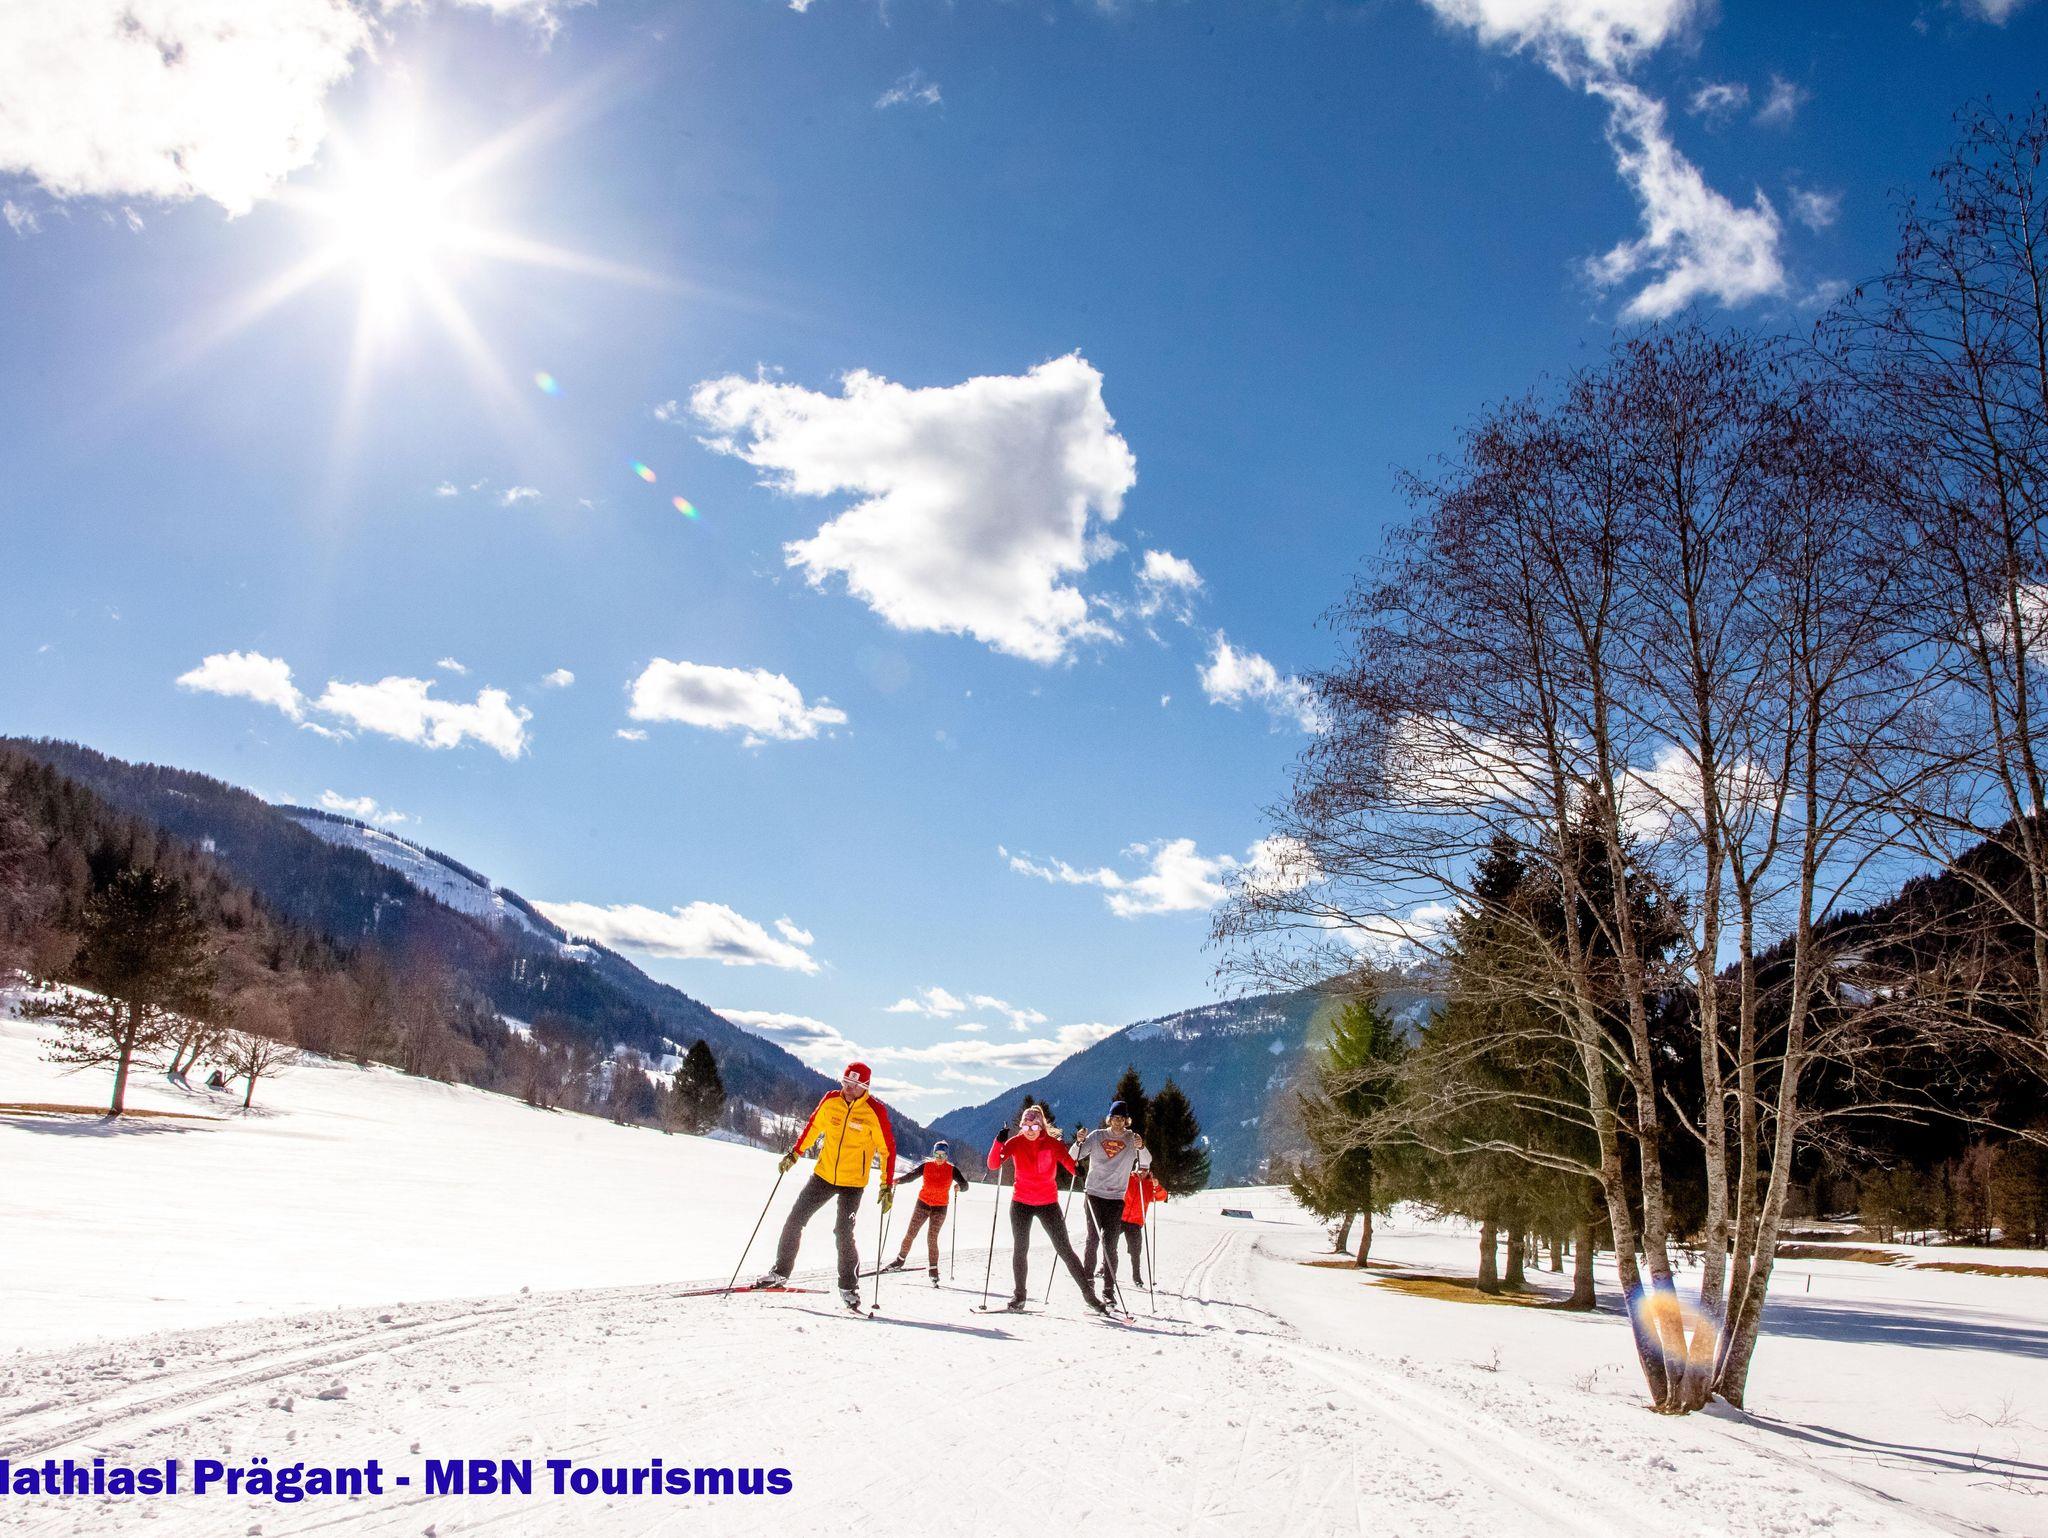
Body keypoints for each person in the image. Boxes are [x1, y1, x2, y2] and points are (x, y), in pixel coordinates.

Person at [756, 1062, 897, 1309]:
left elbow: (888, 1150)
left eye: (854, 1085)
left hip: (853, 1183)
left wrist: (886, 1185)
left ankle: (849, 1287)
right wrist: (795, 1153)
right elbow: (812, 1127)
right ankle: (780, 1273)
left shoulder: (875, 1111)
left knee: (843, 1233)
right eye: (845, 1082)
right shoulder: (831, 1101)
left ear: (865, 1087)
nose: (848, 1088)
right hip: (823, 1175)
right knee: (795, 1220)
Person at [988, 1105, 1105, 1314]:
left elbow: (1068, 1163)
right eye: (1026, 1126)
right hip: (1021, 1203)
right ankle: (1019, 1297)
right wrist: (999, 1142)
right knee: (1020, 1249)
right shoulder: (1015, 1142)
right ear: (1021, 1126)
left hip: (1048, 1204)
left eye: (1034, 1126)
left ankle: (1090, 1297)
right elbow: (993, 1164)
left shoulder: (1052, 1144)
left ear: (1041, 1126)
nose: (1030, 1131)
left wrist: (1077, 1169)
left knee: (1064, 1249)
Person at [1071, 1101, 1149, 1303]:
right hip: (1094, 1194)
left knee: (1110, 1245)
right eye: (1115, 1118)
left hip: (1115, 1198)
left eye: (1122, 1119)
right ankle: (1088, 1284)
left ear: (1127, 1120)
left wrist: (1141, 1147)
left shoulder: (1132, 1139)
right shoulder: (1097, 1136)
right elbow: (1074, 1156)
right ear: (1109, 1119)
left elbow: (1146, 1162)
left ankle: (1108, 1290)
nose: (1118, 1122)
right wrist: (1078, 1142)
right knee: (1093, 1239)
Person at [885, 1139, 969, 1282]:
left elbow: (965, 1185)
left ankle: (933, 1269)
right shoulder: (926, 1166)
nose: (939, 1157)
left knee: (932, 1238)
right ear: (933, 1154)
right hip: (922, 1204)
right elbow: (911, 1176)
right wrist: (899, 1180)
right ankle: (900, 1260)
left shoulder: (952, 1170)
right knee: (911, 1233)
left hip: (940, 1208)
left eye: (943, 1155)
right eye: (937, 1154)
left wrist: (959, 1187)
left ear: (947, 1156)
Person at [1121, 1164, 1168, 1287]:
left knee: (1135, 1251)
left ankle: (1136, 1276)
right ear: (1135, 1168)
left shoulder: (1150, 1184)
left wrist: (1157, 1186)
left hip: (1135, 1222)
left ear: (1148, 1171)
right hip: (1120, 1218)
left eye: (1145, 1170)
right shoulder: (1127, 1178)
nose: (1142, 1172)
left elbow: (1162, 1197)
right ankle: (1104, 1268)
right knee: (1110, 1243)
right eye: (1140, 1169)